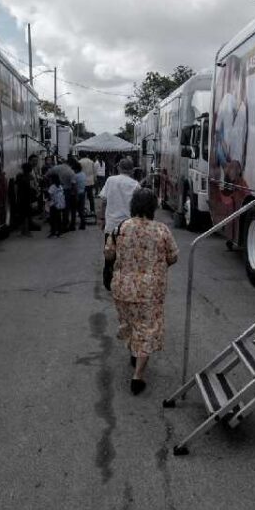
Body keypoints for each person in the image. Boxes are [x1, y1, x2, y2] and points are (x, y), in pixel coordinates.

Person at [105, 188, 178, 394]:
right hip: (150, 291)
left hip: (122, 288)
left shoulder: (121, 227)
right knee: (147, 328)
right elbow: (173, 257)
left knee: (129, 322)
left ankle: (134, 351)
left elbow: (109, 254)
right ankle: (138, 376)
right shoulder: (161, 230)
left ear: (133, 205)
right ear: (153, 207)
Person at [99, 158, 139, 235]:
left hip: (111, 225)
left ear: (118, 168)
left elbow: (104, 202)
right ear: (132, 170)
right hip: (128, 227)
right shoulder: (136, 185)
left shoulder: (110, 180)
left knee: (110, 246)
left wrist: (102, 219)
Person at [50, 158, 76, 231]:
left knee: (55, 207)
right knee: (65, 208)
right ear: (72, 164)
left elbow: (47, 175)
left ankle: (56, 225)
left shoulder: (55, 168)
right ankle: (64, 225)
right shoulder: (71, 172)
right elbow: (73, 184)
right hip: (66, 191)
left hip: (55, 190)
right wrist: (73, 193)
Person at [15, 162, 35, 236]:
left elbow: (16, 187)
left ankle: (22, 231)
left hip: (20, 197)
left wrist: (16, 197)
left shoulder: (19, 176)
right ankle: (27, 231)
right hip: (28, 197)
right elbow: (32, 187)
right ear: (30, 169)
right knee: (27, 215)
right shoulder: (30, 177)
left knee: (22, 214)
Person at [46, 172, 66, 237]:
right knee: (58, 218)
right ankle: (59, 231)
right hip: (59, 205)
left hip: (53, 205)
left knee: (52, 219)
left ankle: (53, 231)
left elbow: (49, 196)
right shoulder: (60, 186)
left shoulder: (52, 187)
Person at [71, 159, 87, 231]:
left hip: (76, 194)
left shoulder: (75, 176)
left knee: (74, 210)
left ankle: (73, 225)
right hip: (82, 193)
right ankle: (83, 224)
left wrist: (76, 196)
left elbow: (74, 186)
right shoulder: (83, 174)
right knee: (81, 210)